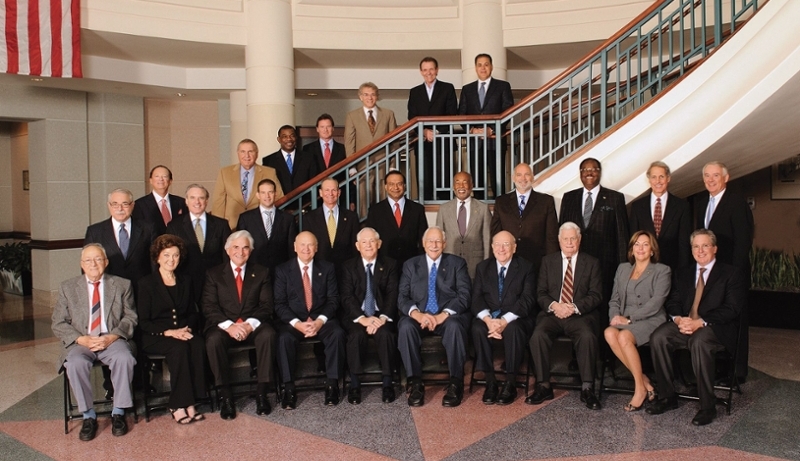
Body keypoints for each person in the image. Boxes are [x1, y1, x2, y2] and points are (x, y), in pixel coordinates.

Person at [647, 229, 746, 426]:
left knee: (699, 341)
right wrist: (678, 320)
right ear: (691, 250)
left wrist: (699, 322)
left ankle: (707, 407)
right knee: (659, 337)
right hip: (685, 324)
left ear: (715, 248)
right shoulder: (683, 273)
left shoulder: (731, 273)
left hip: (715, 328)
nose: (700, 250)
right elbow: (673, 301)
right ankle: (668, 397)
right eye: (696, 246)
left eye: (705, 245)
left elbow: (732, 309)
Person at [51, 243, 137, 441]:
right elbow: (58, 322)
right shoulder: (68, 287)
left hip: (112, 339)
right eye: (88, 260)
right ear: (82, 264)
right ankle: (88, 415)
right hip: (81, 340)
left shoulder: (122, 284)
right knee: (74, 363)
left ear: (106, 262)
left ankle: (118, 412)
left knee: (124, 358)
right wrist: (81, 339)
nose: (93, 264)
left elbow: (130, 317)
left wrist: (112, 336)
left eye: (98, 259)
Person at [526, 222, 603, 410]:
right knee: (538, 336)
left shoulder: (591, 263)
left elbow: (596, 295)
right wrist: (555, 306)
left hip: (578, 315)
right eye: (565, 239)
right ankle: (543, 385)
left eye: (573, 239)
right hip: (553, 314)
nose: (569, 243)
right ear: (559, 241)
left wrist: (573, 307)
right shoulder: (548, 261)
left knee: (587, 336)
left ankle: (587, 388)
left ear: (579, 240)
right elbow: (541, 292)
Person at [202, 230, 276, 419]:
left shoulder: (261, 272)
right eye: (236, 247)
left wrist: (249, 325)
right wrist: (230, 326)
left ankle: (262, 393)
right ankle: (225, 396)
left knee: (268, 334)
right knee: (212, 340)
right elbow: (209, 307)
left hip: (252, 325)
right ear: (228, 250)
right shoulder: (214, 274)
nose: (240, 252)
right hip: (224, 326)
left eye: (245, 248)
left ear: (250, 251)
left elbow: (267, 306)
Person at [397, 226, 472, 407]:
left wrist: (442, 315)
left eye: (438, 241)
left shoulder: (457, 263)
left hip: (446, 316)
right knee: (406, 327)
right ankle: (415, 382)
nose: (434, 244)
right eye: (430, 241)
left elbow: (464, 295)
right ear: (423, 244)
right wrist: (417, 315)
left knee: (455, 327)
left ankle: (456, 382)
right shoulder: (410, 265)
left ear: (444, 244)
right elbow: (402, 297)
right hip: (419, 315)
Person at [137, 234, 207, 424]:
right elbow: (144, 321)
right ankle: (177, 404)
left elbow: (193, 312)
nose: (171, 260)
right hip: (156, 335)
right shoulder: (146, 284)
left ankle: (192, 400)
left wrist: (187, 328)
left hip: (182, 331)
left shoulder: (186, 280)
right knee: (180, 349)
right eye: (166, 255)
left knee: (199, 344)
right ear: (158, 257)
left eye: (175, 255)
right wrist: (169, 332)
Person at [694, 160, 753, 381]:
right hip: (710, 273)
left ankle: (737, 372)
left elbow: (743, 242)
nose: (710, 179)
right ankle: (718, 367)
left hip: (732, 273)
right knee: (714, 317)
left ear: (725, 178)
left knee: (735, 320)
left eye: (715, 175)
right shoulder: (701, 203)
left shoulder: (737, 203)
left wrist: (734, 275)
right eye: (707, 176)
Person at [273, 231, 346, 409]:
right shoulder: (283, 270)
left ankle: (332, 384)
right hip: (295, 321)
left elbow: (333, 299)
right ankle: (288, 388)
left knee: (337, 333)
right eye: (302, 245)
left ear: (316, 248)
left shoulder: (327, 268)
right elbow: (279, 303)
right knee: (283, 339)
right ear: (295, 247)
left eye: (310, 245)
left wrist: (320, 321)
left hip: (321, 319)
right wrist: (297, 324)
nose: (306, 249)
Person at [604, 231, 670, 411]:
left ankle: (639, 389)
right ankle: (645, 381)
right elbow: (614, 299)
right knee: (609, 333)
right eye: (636, 244)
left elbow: (656, 303)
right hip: (624, 318)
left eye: (645, 244)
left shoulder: (662, 270)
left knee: (624, 337)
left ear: (652, 250)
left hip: (650, 318)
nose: (640, 248)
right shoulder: (623, 268)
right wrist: (614, 317)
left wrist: (629, 319)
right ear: (632, 250)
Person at [471, 231, 536, 405]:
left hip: (516, 318)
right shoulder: (483, 267)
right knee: (477, 328)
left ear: (514, 248)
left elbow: (527, 300)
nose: (501, 249)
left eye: (506, 245)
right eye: (497, 244)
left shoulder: (526, 267)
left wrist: (504, 321)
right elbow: (476, 298)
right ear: (492, 247)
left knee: (514, 330)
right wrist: (488, 321)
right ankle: (490, 382)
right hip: (490, 318)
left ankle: (510, 382)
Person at [559, 158, 630, 314]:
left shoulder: (615, 198)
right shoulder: (569, 198)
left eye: (593, 169)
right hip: (575, 265)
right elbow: (562, 233)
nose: (589, 173)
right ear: (580, 174)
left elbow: (622, 236)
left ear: (600, 172)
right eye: (585, 170)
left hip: (605, 265)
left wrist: (623, 269)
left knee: (603, 307)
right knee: (577, 305)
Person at [339, 227, 400, 404]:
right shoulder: (348, 266)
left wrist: (381, 319)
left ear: (379, 244)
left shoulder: (390, 264)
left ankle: (388, 382)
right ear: (357, 246)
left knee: (386, 335)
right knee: (355, 335)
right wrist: (363, 319)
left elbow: (392, 294)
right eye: (364, 242)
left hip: (381, 315)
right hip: (357, 315)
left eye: (372, 241)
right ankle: (355, 384)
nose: (368, 245)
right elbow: (347, 296)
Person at [457, 53, 514, 199]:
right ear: (475, 68)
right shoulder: (467, 89)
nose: (483, 68)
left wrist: (492, 129)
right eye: (480, 65)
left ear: (492, 67)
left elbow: (508, 110)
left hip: (494, 140)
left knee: (498, 179)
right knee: (477, 178)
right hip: (475, 142)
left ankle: (500, 208)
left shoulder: (503, 86)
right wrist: (472, 130)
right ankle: (480, 210)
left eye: (486, 64)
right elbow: (461, 114)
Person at [165, 184, 231, 305]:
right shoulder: (174, 226)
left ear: (206, 201)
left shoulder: (221, 225)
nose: (197, 202)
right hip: (185, 282)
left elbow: (227, 255)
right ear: (186, 201)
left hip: (215, 282)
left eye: (201, 198)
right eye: (193, 198)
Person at [490, 163, 559, 272]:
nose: (523, 178)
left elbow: (551, 236)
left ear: (532, 177)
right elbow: (495, 234)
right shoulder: (501, 201)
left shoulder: (546, 201)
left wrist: (551, 264)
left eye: (527, 174)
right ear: (513, 178)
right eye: (519, 175)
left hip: (537, 263)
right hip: (508, 262)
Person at [85, 188, 156, 292]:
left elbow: (154, 262)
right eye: (115, 204)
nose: (120, 208)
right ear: (109, 205)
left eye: (125, 204)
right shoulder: (95, 231)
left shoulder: (148, 229)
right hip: (108, 290)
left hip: (142, 289)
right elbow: (87, 263)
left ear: (132, 205)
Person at [407, 57, 458, 201]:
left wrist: (435, 131)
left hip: (444, 140)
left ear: (437, 70)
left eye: (431, 69)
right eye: (425, 70)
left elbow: (452, 113)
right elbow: (412, 117)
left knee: (445, 176)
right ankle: (426, 204)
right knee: (424, 178)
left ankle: (445, 203)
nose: (428, 72)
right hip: (422, 141)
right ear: (421, 72)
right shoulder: (415, 92)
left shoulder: (447, 88)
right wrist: (424, 132)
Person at [629, 161, 692, 271]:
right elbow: (633, 241)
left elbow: (684, 243)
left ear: (668, 178)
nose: (658, 181)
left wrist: (683, 271)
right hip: (644, 268)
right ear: (649, 180)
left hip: (672, 268)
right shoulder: (637, 207)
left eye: (661, 176)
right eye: (654, 177)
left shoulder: (682, 206)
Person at [211, 138, 284, 230]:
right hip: (231, 226)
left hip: (260, 225)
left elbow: (279, 197)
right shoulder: (225, 172)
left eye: (250, 151)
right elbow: (218, 202)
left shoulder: (269, 172)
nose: (247, 155)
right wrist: (218, 228)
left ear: (256, 154)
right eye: (243, 152)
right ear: (238, 153)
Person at [436, 171, 491, 279]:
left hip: (475, 266)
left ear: (471, 186)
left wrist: (486, 265)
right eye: (457, 182)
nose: (461, 186)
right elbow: (439, 239)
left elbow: (487, 239)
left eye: (465, 182)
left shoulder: (483, 208)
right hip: (449, 265)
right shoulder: (444, 209)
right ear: (453, 186)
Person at [365, 170, 427, 267]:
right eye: (391, 184)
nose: (395, 188)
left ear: (404, 186)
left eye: (399, 184)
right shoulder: (375, 210)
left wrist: (421, 262)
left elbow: (423, 238)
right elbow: (371, 238)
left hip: (412, 264)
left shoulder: (417, 209)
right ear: (385, 187)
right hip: (384, 265)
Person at [235, 178, 297, 271]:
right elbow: (240, 245)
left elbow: (292, 249)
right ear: (258, 195)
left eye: (270, 192)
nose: (267, 196)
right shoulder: (246, 218)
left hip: (280, 270)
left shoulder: (288, 219)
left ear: (275, 194)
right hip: (253, 270)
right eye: (263, 192)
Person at [302, 177, 359, 269]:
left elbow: (355, 247)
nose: (330, 194)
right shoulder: (309, 218)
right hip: (319, 270)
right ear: (320, 193)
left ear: (339, 193)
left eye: (333, 190)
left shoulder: (351, 217)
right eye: (327, 190)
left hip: (345, 270)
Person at [303, 114, 355, 210]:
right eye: (322, 127)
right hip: (315, 198)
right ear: (317, 129)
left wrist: (352, 199)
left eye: (328, 126)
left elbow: (348, 176)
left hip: (339, 197)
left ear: (333, 128)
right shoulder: (307, 149)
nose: (325, 130)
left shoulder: (343, 149)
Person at [132, 165, 189, 236]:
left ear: (170, 181)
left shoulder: (181, 202)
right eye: (157, 176)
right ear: (151, 180)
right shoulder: (139, 205)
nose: (161, 179)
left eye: (165, 176)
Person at [344, 82, 398, 156]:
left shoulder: (388, 114)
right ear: (360, 97)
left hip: (383, 163)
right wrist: (351, 166)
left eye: (373, 94)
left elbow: (394, 141)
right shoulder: (352, 116)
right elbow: (349, 143)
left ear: (377, 97)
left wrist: (392, 166)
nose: (370, 98)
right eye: (366, 94)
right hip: (361, 164)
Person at [262, 125, 316, 195]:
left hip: (304, 203)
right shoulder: (268, 161)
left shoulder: (308, 158)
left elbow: (313, 181)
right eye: (285, 136)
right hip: (280, 203)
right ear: (279, 139)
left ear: (296, 138)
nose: (289, 139)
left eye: (292, 136)